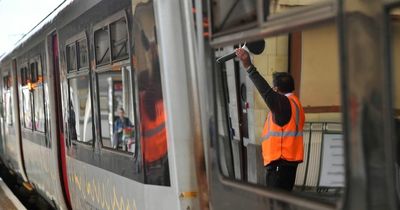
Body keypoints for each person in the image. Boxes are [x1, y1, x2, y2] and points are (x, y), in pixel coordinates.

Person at [236, 48, 305, 191]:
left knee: (277, 204)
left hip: (280, 164)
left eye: (274, 88)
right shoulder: (294, 103)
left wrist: (249, 67)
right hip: (287, 163)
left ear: (276, 89)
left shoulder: (283, 105)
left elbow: (265, 92)